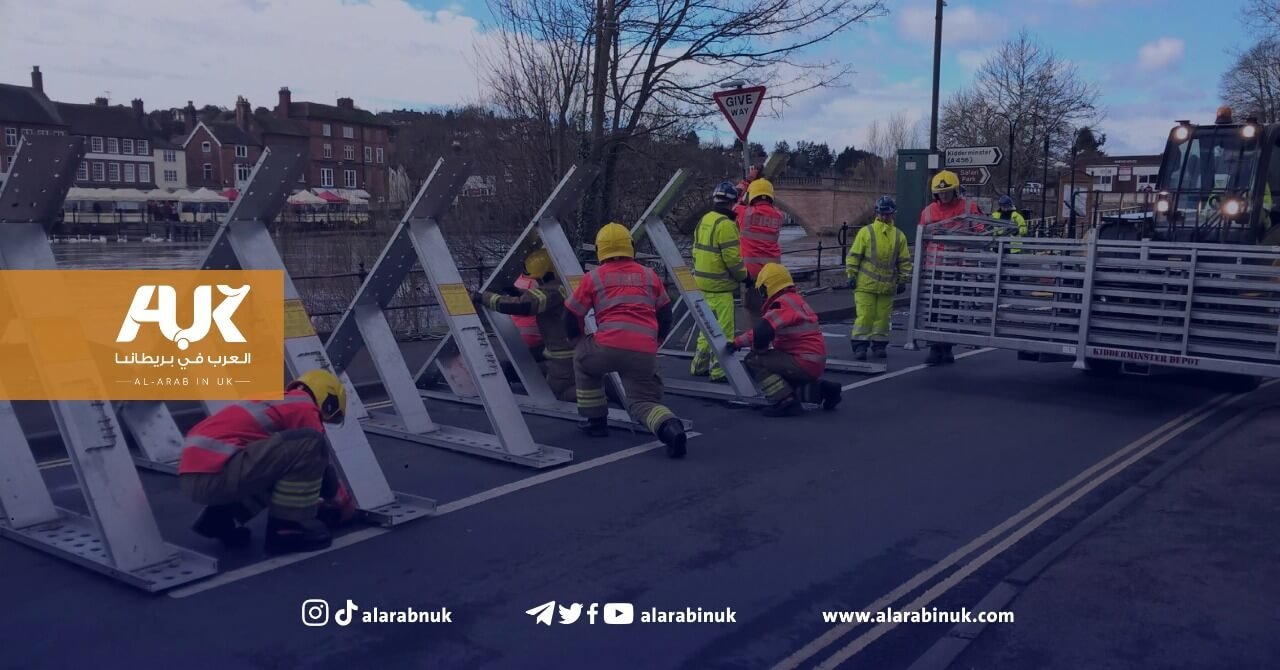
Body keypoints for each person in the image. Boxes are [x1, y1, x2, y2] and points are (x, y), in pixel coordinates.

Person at [179, 369, 355, 554]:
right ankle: (286, 529)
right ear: (328, 400)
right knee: (311, 442)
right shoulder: (303, 405)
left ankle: (219, 518)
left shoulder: (273, 400)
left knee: (280, 469)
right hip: (218, 473)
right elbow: (319, 460)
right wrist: (342, 503)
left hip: (196, 476)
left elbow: (276, 467)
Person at [564, 223, 688, 458]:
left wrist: (577, 339)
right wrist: (656, 341)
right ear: (630, 246)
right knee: (642, 402)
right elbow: (665, 312)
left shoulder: (594, 277)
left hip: (605, 347)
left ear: (599, 250)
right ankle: (670, 428)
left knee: (582, 360)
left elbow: (571, 313)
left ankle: (596, 422)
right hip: (643, 350)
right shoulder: (649, 275)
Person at [727, 263, 842, 417]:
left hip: (801, 361)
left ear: (767, 287)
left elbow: (761, 331)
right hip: (813, 361)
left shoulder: (780, 304)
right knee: (784, 384)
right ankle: (825, 391)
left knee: (753, 360)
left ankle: (786, 402)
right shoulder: (795, 300)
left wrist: (741, 344)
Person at [472, 248, 575, 401]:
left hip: (563, 356)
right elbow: (537, 298)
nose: (538, 282)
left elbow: (524, 305)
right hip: (566, 350)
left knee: (556, 394)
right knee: (541, 370)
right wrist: (517, 292)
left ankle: (600, 389)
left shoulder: (553, 290)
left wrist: (484, 298)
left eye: (539, 279)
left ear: (547, 274)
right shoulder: (564, 284)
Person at [919, 169, 983, 366]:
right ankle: (934, 347)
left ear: (955, 191)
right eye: (941, 193)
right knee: (933, 308)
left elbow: (982, 231)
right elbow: (921, 240)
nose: (944, 196)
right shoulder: (928, 211)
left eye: (947, 192)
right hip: (934, 269)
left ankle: (946, 348)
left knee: (951, 308)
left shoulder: (968, 207)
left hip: (957, 269)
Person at [690, 181, 750, 382]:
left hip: (702, 284)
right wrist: (745, 277)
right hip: (721, 287)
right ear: (733, 202)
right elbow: (732, 259)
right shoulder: (726, 225)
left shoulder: (705, 219)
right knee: (724, 331)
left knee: (706, 329)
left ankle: (699, 365)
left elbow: (695, 251)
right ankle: (719, 371)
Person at [845, 196, 912, 360]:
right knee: (865, 316)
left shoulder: (899, 236)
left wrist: (903, 279)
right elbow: (854, 256)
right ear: (877, 213)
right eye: (882, 214)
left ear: (892, 214)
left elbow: (904, 260)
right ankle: (860, 346)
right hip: (865, 285)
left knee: (882, 319)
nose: (884, 217)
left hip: (886, 287)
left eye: (887, 214)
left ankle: (879, 345)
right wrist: (851, 275)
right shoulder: (866, 232)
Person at [736, 177, 785, 323]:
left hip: (751, 273)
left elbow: (733, 202)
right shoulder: (779, 216)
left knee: (754, 312)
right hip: (773, 271)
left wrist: (746, 181)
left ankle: (757, 335)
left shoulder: (745, 213)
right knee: (772, 309)